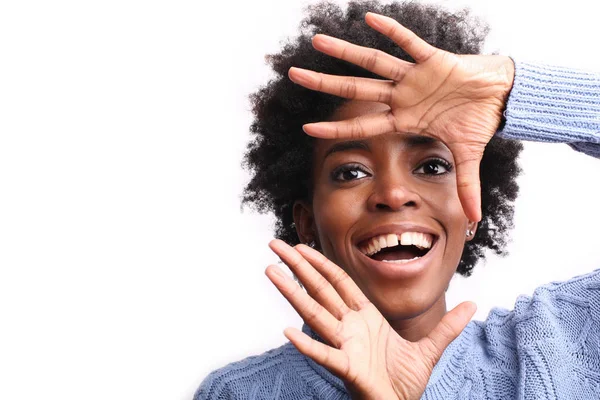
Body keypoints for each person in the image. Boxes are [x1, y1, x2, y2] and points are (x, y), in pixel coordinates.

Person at [197, 1, 600, 399]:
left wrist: (510, 91)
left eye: (431, 167)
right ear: (307, 225)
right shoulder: (239, 393)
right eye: (351, 172)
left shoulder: (563, 347)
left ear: (472, 211)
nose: (393, 194)